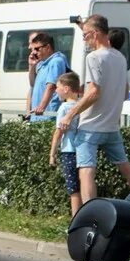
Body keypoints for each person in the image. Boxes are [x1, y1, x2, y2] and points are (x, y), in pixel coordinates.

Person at [58, 15, 130, 202]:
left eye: (86, 35)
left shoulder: (93, 57)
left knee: (86, 172)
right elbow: (125, 94)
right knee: (126, 168)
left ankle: (91, 217)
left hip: (90, 127)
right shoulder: (120, 58)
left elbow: (94, 92)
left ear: (95, 34)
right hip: (112, 126)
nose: (85, 39)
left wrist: (70, 115)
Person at [49, 72, 82, 216]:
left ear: (66, 89)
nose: (56, 90)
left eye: (58, 87)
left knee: (73, 189)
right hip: (83, 149)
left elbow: (58, 132)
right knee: (83, 186)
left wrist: (52, 154)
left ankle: (76, 219)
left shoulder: (64, 108)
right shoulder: (82, 105)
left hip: (69, 150)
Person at [27, 33, 69, 121]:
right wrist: (32, 65)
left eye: (37, 49)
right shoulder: (42, 63)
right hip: (38, 116)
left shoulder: (56, 61)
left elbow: (51, 86)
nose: (34, 52)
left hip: (47, 117)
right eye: (33, 49)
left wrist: (41, 107)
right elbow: (32, 84)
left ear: (48, 47)